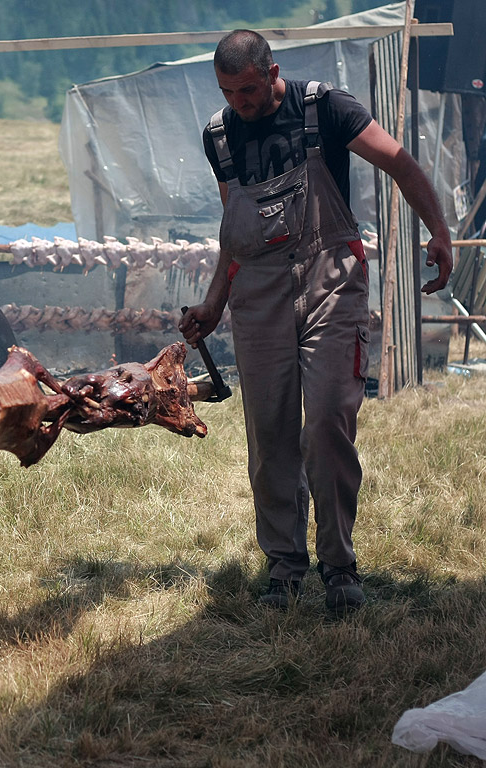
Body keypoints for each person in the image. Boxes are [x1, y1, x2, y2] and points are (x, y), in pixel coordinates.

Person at [179, 30, 452, 614]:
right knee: (270, 435)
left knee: (326, 419)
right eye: (229, 92)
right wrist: (212, 304)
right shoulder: (219, 137)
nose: (241, 103)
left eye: (249, 90)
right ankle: (284, 570)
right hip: (258, 298)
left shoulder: (326, 107)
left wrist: (439, 232)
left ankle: (340, 567)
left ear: (272, 71)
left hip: (330, 285)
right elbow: (236, 232)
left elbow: (400, 163)